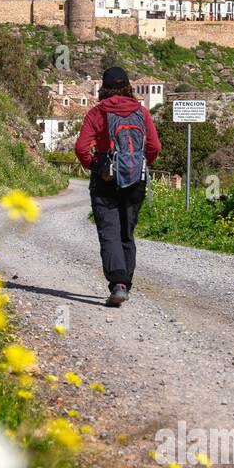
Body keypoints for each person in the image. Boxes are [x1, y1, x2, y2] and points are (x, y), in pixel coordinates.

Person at [74, 65, 161, 307]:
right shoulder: (141, 112)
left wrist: (93, 165)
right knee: (126, 232)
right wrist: (140, 164)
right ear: (128, 87)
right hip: (136, 179)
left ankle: (118, 284)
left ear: (104, 87)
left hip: (106, 179)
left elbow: (81, 148)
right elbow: (154, 146)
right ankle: (126, 284)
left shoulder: (97, 113)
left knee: (109, 231)